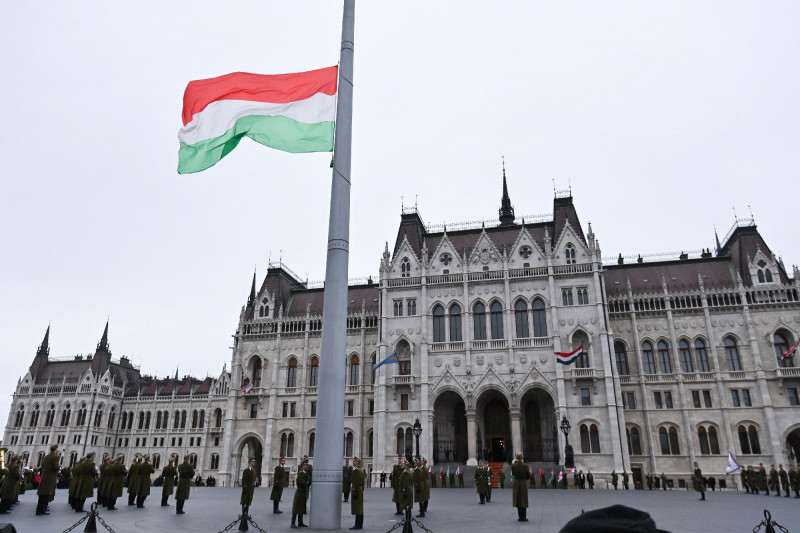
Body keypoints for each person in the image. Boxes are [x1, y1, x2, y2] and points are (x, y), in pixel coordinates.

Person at [36, 444, 60, 515]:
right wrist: (58, 466)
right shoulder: (55, 457)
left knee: (43, 494)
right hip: (50, 477)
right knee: (46, 493)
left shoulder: (46, 457)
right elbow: (55, 467)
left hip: (44, 476)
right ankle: (41, 510)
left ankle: (40, 509)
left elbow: (42, 465)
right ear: (55, 449)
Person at [291, 461, 310, 528]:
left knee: (301, 507)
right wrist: (308, 482)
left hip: (303, 492)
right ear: (302, 466)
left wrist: (308, 482)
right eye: (305, 465)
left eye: (307, 465)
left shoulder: (305, 473)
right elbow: (303, 483)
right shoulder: (301, 473)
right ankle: (293, 523)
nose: (307, 466)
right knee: (296, 507)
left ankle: (300, 522)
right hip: (299, 492)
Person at [511, 453, 529, 522]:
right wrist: (525, 478)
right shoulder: (525, 465)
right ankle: (524, 516)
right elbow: (528, 475)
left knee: (518, 500)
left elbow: (513, 473)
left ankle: (520, 516)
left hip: (516, 483)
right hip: (523, 483)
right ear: (522, 457)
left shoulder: (513, 465)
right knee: (523, 499)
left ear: (516, 457)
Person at [350, 457, 365, 530]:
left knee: (357, 507)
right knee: (360, 507)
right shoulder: (361, 470)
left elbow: (355, 483)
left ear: (357, 462)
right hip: (360, 489)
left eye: (354, 461)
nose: (353, 462)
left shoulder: (356, 471)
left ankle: (357, 524)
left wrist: (354, 492)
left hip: (357, 490)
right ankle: (360, 524)